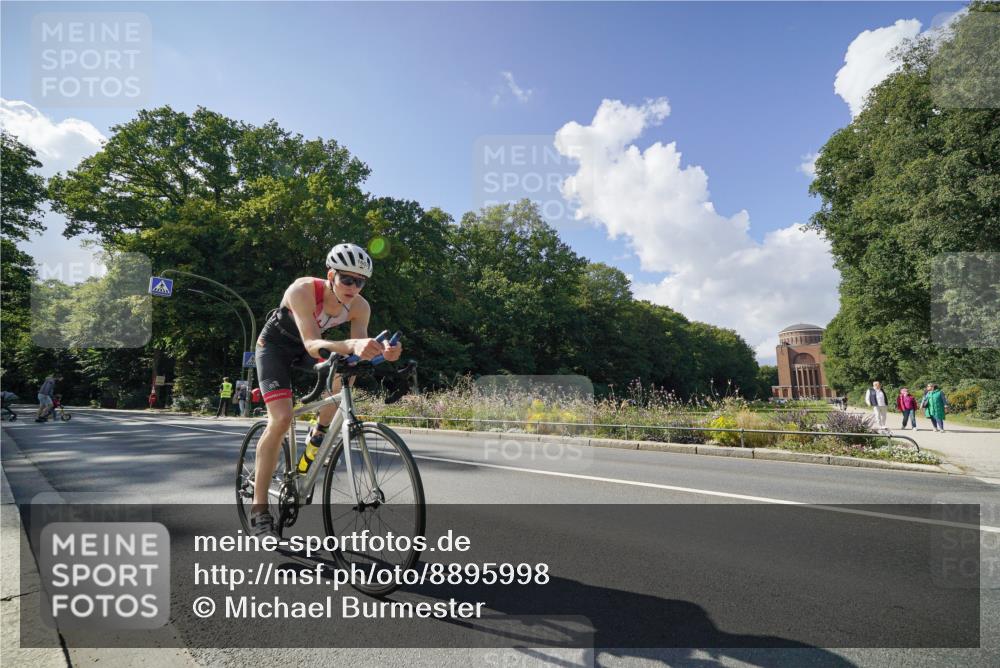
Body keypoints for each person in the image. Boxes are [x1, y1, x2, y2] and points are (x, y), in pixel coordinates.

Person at [251, 243, 401, 538]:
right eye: (347, 279)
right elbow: (311, 343)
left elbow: (358, 353)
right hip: (275, 348)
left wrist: (384, 353)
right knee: (281, 419)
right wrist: (351, 345)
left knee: (349, 368)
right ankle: (259, 509)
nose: (353, 287)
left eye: (360, 282)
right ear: (331, 275)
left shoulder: (360, 306)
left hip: (313, 348)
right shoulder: (302, 290)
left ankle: (320, 430)